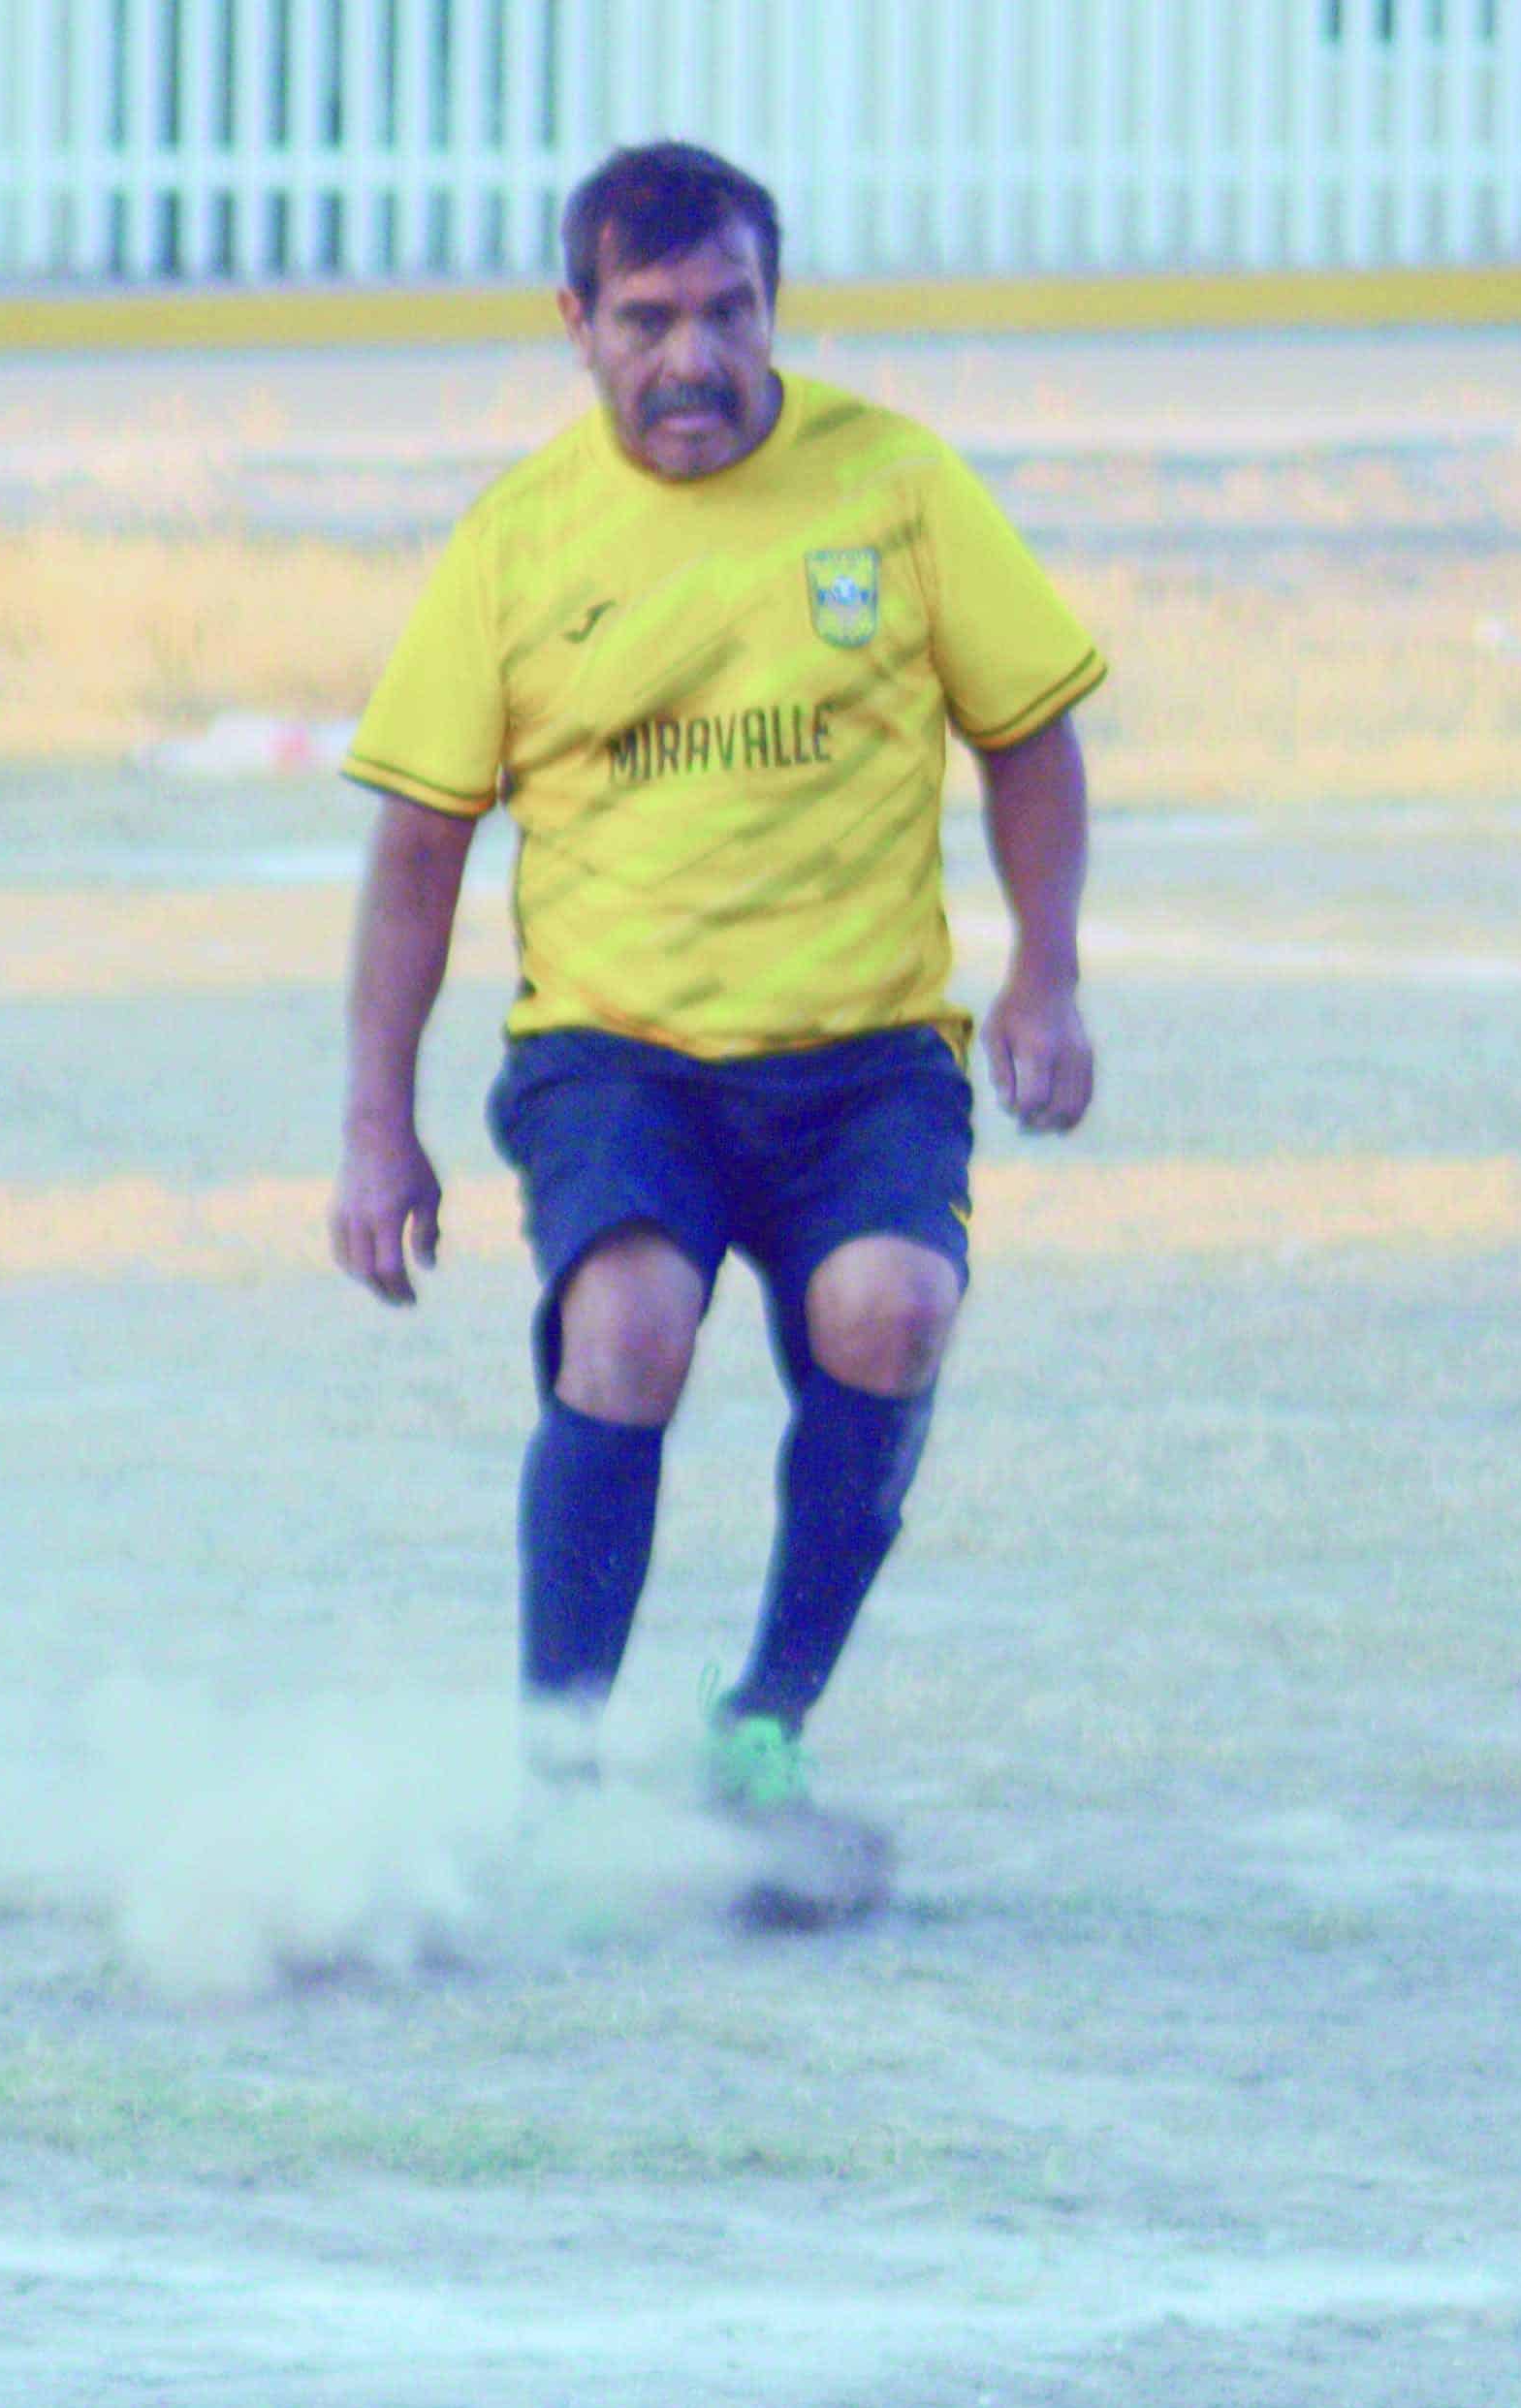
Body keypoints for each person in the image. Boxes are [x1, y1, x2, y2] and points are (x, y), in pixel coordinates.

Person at [327, 141, 1101, 1884]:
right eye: (648, 317)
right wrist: (380, 1125)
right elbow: (415, 854)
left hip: (865, 1056)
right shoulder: (519, 541)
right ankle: (554, 1782)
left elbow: (1028, 736)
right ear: (576, 324)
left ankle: (758, 1722)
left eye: (727, 311)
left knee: (891, 1310)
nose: (692, 357)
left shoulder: (895, 487)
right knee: (629, 1327)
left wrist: (1043, 969)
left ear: (775, 305)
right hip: (618, 1054)